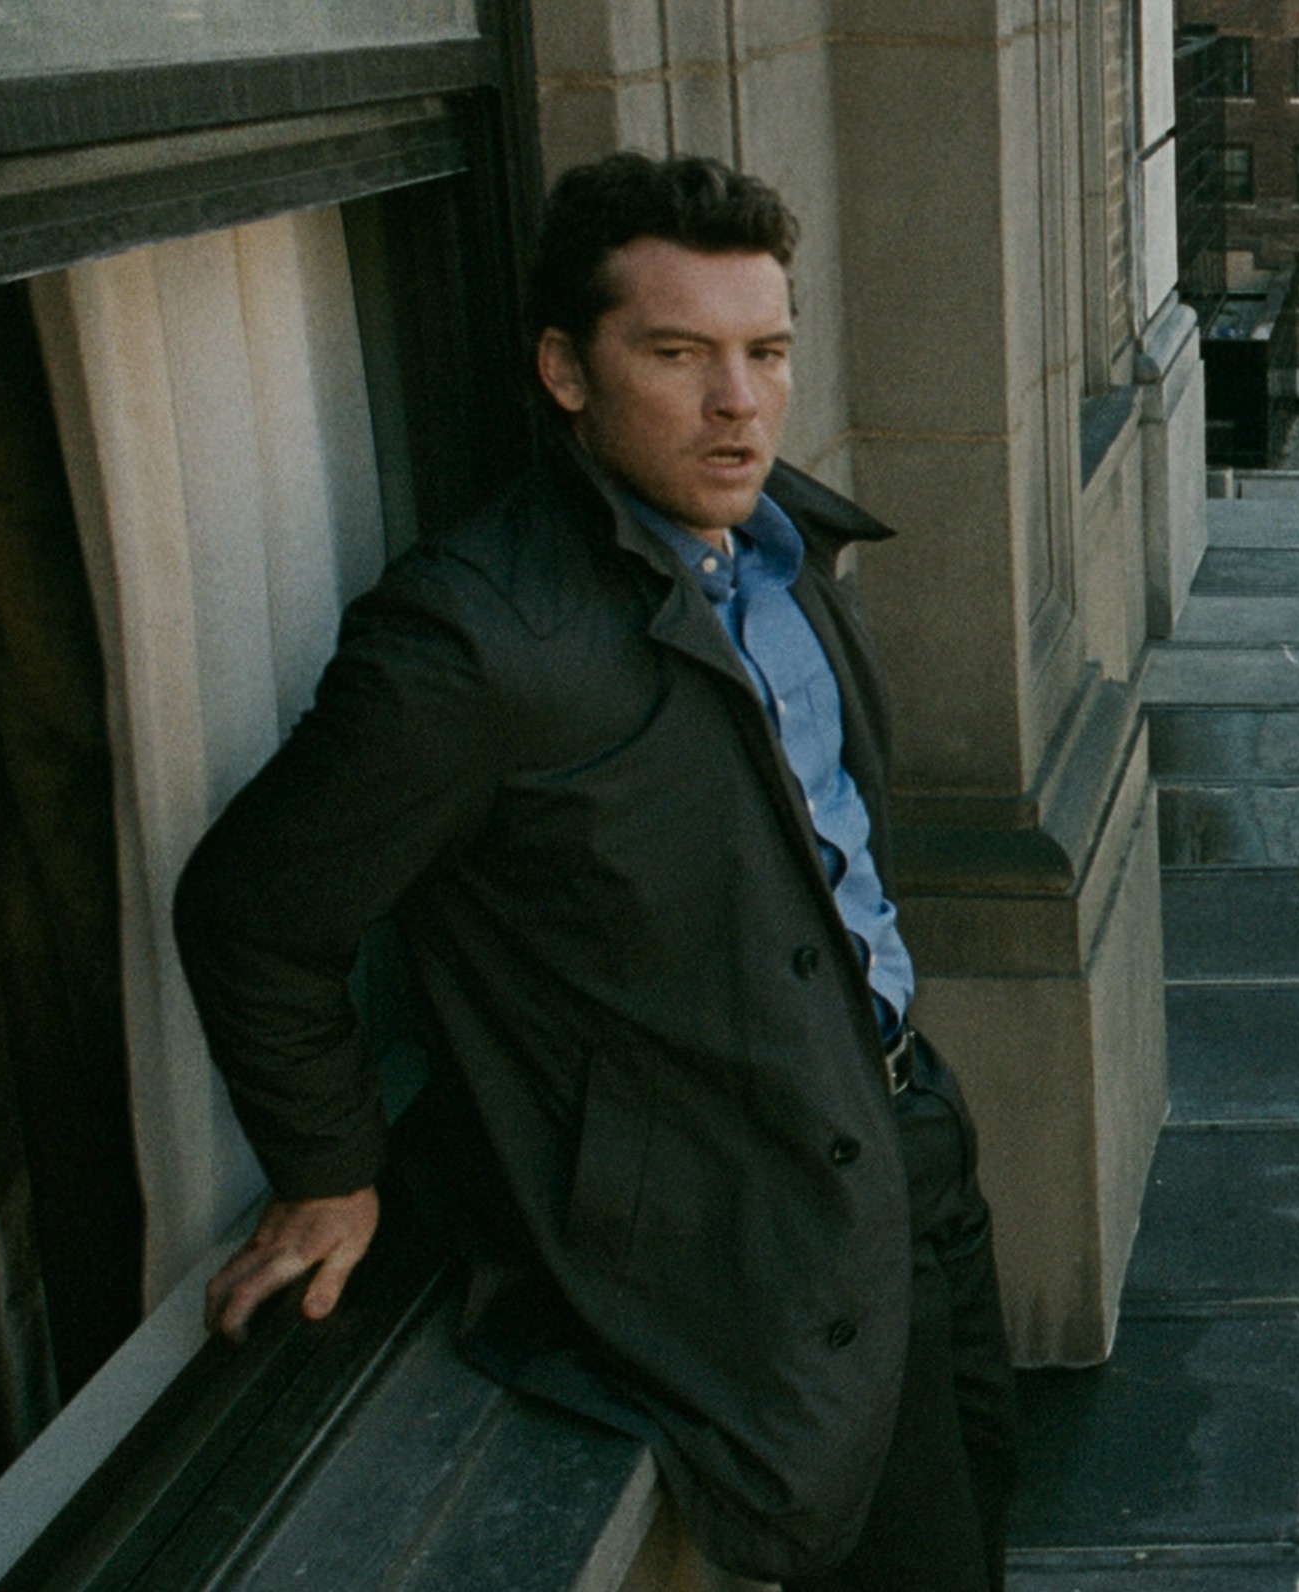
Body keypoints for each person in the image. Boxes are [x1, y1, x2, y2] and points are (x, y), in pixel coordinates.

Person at [174, 153, 1014, 1589]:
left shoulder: (784, 548)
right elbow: (252, 909)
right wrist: (327, 1168)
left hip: (909, 1134)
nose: (738, 400)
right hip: (751, 1221)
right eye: (677, 353)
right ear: (567, 371)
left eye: (766, 352)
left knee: (983, 1508)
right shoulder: (473, 643)